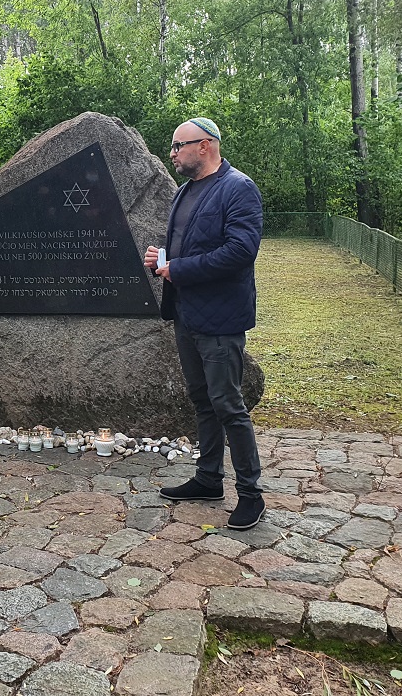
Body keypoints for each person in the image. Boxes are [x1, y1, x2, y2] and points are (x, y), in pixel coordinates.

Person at [143, 117, 266, 530]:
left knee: (228, 404)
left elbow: (240, 251)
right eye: (173, 147)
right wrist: (162, 258)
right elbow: (190, 246)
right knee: (202, 400)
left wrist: (180, 268)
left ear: (206, 145)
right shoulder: (185, 191)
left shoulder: (238, 188)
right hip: (186, 313)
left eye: (179, 146)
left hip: (220, 318)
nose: (172, 154)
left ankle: (251, 495)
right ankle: (209, 479)